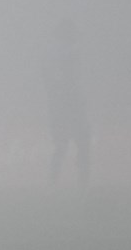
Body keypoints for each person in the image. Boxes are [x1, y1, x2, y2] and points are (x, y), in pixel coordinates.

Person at [41, 18, 90, 189]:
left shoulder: (60, 53)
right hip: (66, 103)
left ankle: (61, 180)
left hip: (68, 102)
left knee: (75, 142)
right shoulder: (62, 53)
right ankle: (62, 180)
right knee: (71, 142)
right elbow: (55, 80)